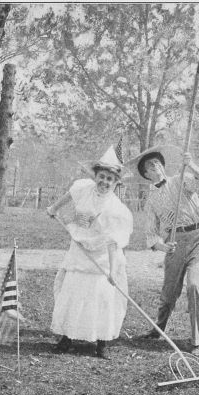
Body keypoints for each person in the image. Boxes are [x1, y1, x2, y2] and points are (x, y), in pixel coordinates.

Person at [46, 145, 133, 359]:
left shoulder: (116, 209)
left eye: (109, 179)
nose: (104, 182)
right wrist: (54, 208)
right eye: (102, 177)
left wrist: (112, 271)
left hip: (103, 256)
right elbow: (68, 196)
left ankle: (101, 343)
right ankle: (66, 338)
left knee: (100, 295)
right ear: (96, 176)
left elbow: (113, 243)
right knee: (73, 290)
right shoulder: (83, 188)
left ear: (115, 182)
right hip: (80, 247)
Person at [127, 145, 199, 356]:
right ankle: (159, 328)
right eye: (150, 166)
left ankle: (197, 341)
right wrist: (163, 246)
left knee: (194, 285)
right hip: (175, 242)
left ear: (163, 166)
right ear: (146, 174)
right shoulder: (151, 200)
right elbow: (150, 235)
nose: (155, 167)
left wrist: (190, 163)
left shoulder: (180, 179)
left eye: (157, 163)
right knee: (169, 290)